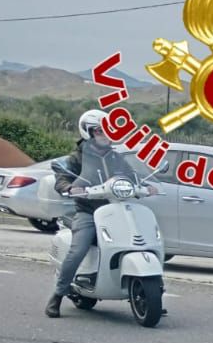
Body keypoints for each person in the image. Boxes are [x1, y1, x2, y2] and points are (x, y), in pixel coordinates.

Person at [45, 111, 142, 317]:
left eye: (108, 130)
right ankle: (58, 295)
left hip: (117, 209)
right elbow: (62, 178)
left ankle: (149, 293)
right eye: (99, 130)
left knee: (141, 239)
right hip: (89, 211)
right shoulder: (76, 157)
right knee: (78, 250)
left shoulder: (116, 156)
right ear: (88, 131)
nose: (104, 134)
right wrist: (69, 187)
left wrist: (145, 185)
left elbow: (133, 175)